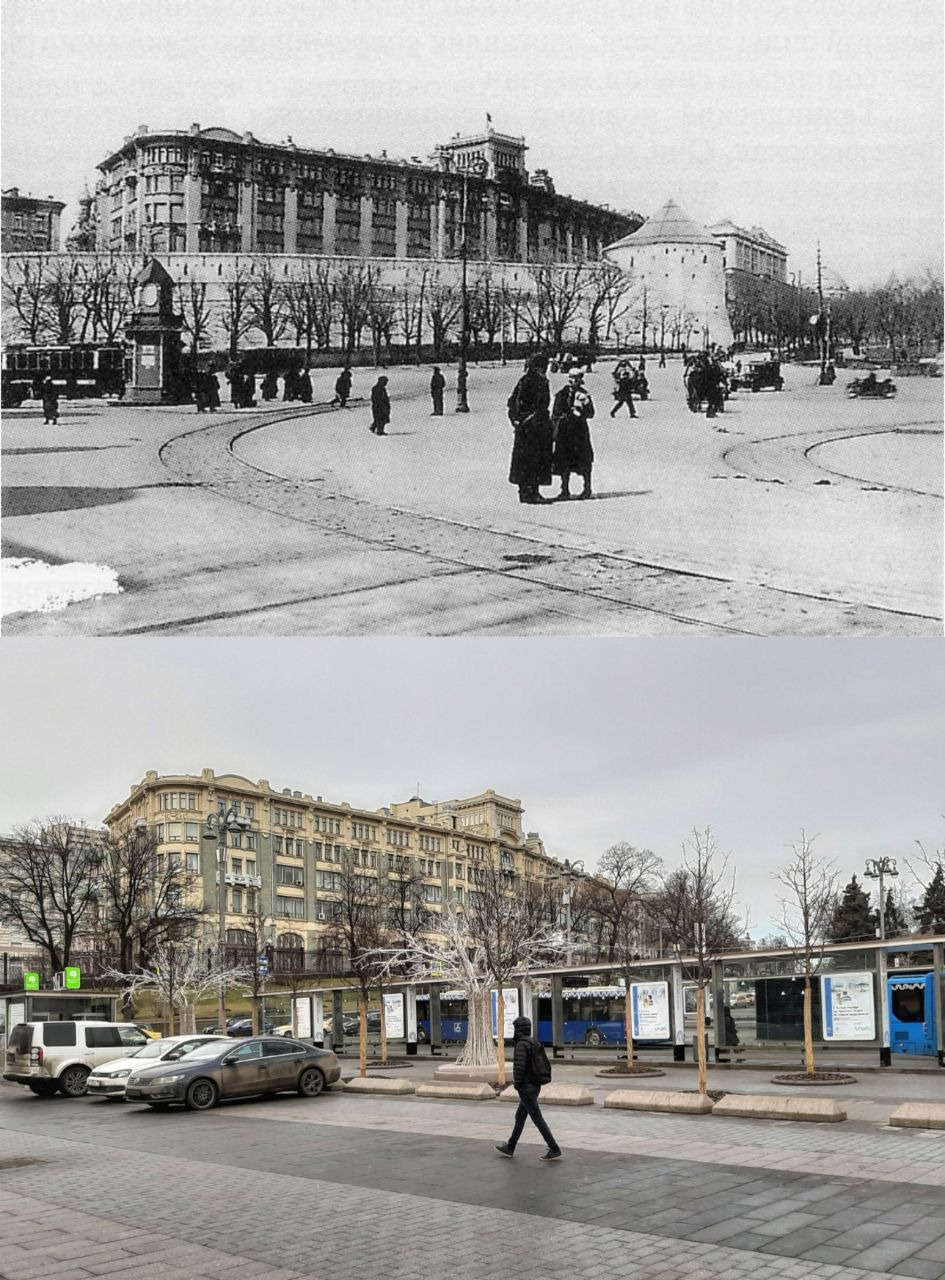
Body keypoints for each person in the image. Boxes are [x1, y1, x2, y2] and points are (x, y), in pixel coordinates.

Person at [495, 1016, 561, 1161]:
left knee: (537, 1118)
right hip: (535, 1085)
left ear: (519, 1029)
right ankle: (510, 1146)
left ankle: (554, 1148)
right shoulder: (533, 1042)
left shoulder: (521, 1045)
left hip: (526, 1087)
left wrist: (517, 1085)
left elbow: (520, 1067)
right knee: (520, 1117)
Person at [507, 354, 553, 504]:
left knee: (523, 460)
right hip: (536, 427)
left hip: (524, 427)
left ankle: (524, 492)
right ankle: (533, 492)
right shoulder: (538, 381)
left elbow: (512, 402)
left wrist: (515, 420)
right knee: (535, 459)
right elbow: (541, 404)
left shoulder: (524, 380)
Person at [552, 369, 596, 500]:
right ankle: (564, 489)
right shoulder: (561, 394)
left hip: (579, 432)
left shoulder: (584, 395)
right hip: (564, 432)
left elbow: (591, 413)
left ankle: (587, 488)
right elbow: (555, 412)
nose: (574, 381)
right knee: (564, 460)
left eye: (577, 378)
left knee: (584, 460)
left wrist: (581, 411)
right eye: (572, 378)